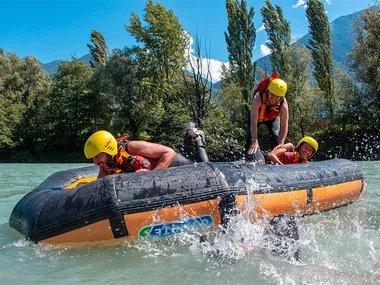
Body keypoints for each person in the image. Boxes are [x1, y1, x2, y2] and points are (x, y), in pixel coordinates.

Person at [84, 125, 209, 179]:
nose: (95, 161)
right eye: (93, 158)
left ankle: (197, 138)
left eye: (97, 156)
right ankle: (189, 137)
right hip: (163, 171)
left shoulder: (132, 147)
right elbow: (101, 182)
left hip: (175, 162)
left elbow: (169, 153)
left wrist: (151, 176)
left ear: (108, 149)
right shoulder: (106, 163)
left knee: (204, 166)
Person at [247, 77, 289, 157]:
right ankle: (248, 157)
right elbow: (253, 121)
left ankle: (275, 156)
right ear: (268, 91)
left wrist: (281, 142)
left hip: (272, 119)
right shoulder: (258, 98)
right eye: (272, 94)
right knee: (250, 137)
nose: (274, 98)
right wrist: (255, 140)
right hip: (256, 118)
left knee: (276, 136)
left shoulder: (283, 104)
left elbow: (284, 125)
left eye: (277, 96)